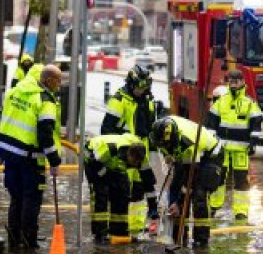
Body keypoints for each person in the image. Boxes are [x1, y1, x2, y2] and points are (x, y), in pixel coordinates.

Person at [0, 64, 62, 249]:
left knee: (16, 197)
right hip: (29, 158)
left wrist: (1, 152)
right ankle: (29, 240)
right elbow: (45, 133)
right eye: (58, 80)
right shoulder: (45, 99)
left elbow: (2, 120)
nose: (60, 84)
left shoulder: (15, 91)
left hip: (10, 154)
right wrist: (54, 161)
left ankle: (14, 239)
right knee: (31, 199)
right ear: (48, 80)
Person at [100, 64, 160, 233]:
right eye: (140, 87)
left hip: (142, 152)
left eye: (145, 86)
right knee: (122, 191)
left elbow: (151, 128)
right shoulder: (120, 100)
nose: (142, 90)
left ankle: (136, 227)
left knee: (140, 191)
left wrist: (154, 153)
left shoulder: (148, 100)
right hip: (125, 153)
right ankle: (119, 227)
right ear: (131, 84)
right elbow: (106, 129)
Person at [150, 116, 224, 248]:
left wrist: (179, 201)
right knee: (176, 189)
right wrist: (174, 200)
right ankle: (178, 236)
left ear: (172, 140)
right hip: (187, 156)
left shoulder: (188, 142)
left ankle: (201, 240)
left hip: (210, 155)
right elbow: (175, 173)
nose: (164, 147)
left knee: (198, 195)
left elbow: (191, 176)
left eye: (166, 145)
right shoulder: (161, 132)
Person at [206, 69, 262, 221]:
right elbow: (211, 123)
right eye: (231, 81)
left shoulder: (250, 103)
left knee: (241, 181)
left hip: (241, 150)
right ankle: (213, 207)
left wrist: (253, 143)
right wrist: (211, 143)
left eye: (236, 81)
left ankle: (241, 212)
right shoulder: (221, 101)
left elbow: (256, 124)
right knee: (218, 179)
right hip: (222, 149)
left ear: (243, 82)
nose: (234, 84)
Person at [83, 133, 147, 244]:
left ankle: (119, 231)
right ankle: (100, 234)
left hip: (114, 165)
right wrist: (106, 175)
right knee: (101, 194)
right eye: (134, 162)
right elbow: (93, 162)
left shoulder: (139, 156)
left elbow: (146, 176)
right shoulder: (110, 149)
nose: (135, 165)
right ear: (130, 155)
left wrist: (141, 192)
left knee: (123, 194)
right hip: (94, 160)